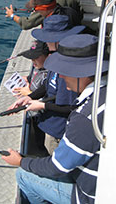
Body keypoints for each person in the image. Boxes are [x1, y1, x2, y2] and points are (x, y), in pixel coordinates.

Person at [2, 34, 109, 204]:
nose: (61, 77)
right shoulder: (105, 93)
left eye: (66, 72)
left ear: (83, 73)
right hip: (99, 179)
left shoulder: (85, 118)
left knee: (23, 176)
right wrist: (33, 99)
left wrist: (21, 161)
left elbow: (57, 167)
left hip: (88, 196)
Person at [10, 15, 86, 154]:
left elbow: (72, 107)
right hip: (49, 124)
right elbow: (49, 85)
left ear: (56, 40)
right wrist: (30, 97)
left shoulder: (69, 68)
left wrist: (42, 105)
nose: (45, 42)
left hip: (60, 132)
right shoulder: (56, 59)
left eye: (47, 39)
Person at [5, 0, 81, 30]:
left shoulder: (52, 25)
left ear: (45, 8)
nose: (34, 11)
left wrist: (12, 15)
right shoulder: (70, 11)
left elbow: (26, 24)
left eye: (36, 8)